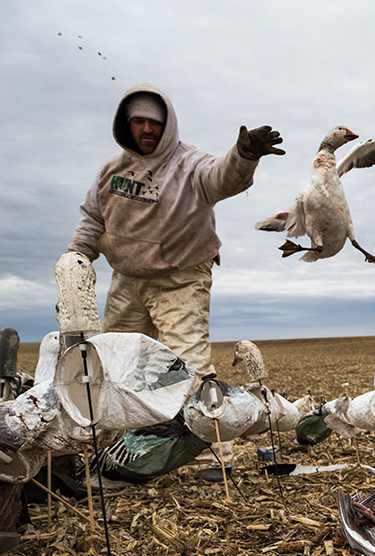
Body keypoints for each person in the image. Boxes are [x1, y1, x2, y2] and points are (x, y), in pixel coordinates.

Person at [65, 82, 284, 378]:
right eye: (138, 121)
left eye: (154, 122)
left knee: (185, 373)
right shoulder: (111, 170)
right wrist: (73, 265)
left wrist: (243, 156)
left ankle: (189, 423)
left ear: (167, 125)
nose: (147, 129)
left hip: (180, 280)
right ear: (126, 124)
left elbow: (221, 176)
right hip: (126, 281)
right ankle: (126, 426)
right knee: (114, 368)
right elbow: (93, 218)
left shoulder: (189, 165)